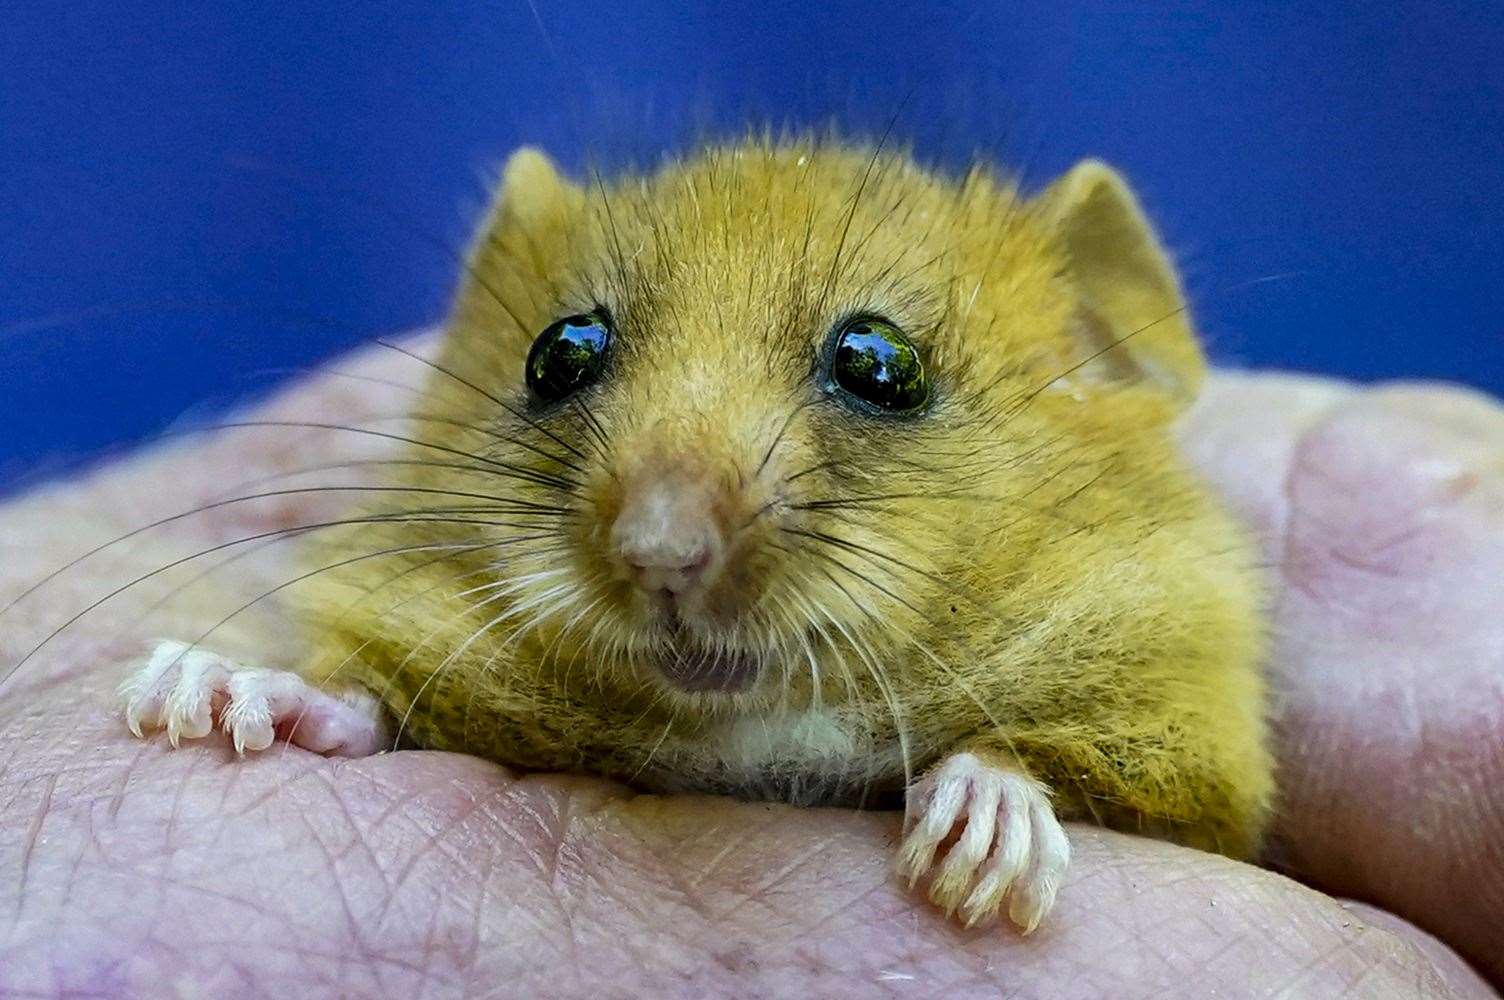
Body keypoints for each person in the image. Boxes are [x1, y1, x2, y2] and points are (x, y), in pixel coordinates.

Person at [0, 348, 1498, 998]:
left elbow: (1202, 762)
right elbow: (387, 595)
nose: (663, 536)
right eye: (576, 355)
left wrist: (1027, 771)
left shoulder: (1120, 569)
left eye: (879, 374)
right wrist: (331, 700)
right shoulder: (457, 557)